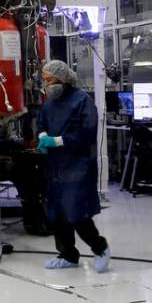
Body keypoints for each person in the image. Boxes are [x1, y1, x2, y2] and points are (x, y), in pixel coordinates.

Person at [36, 60, 111, 273]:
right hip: (56, 166)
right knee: (57, 213)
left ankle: (101, 248)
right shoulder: (50, 103)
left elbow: (86, 133)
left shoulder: (82, 102)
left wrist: (57, 141)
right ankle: (67, 254)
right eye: (45, 80)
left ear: (63, 79)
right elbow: (41, 123)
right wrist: (42, 137)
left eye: (49, 80)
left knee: (76, 212)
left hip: (78, 165)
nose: (46, 84)